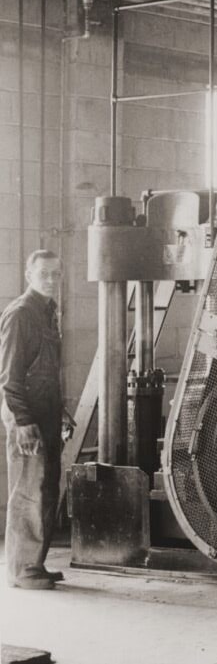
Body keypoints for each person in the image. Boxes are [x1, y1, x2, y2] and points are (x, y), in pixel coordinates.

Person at [1, 250, 67, 589]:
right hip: (27, 416)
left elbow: (47, 372)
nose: (51, 279)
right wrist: (23, 422)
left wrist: (61, 413)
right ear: (29, 274)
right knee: (28, 490)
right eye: (44, 273)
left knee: (46, 487)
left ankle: (35, 564)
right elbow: (9, 377)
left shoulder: (48, 311)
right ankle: (23, 569)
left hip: (47, 413)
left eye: (56, 273)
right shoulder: (21, 314)